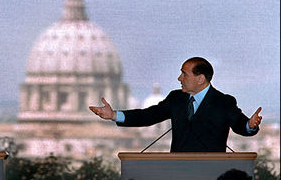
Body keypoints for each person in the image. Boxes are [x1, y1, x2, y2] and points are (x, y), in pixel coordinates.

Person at [89, 57, 261, 152]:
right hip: (177, 167)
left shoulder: (224, 102)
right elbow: (148, 116)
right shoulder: (175, 98)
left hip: (211, 170)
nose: (179, 79)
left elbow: (240, 125)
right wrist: (114, 115)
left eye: (184, 75)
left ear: (200, 78)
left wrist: (250, 125)